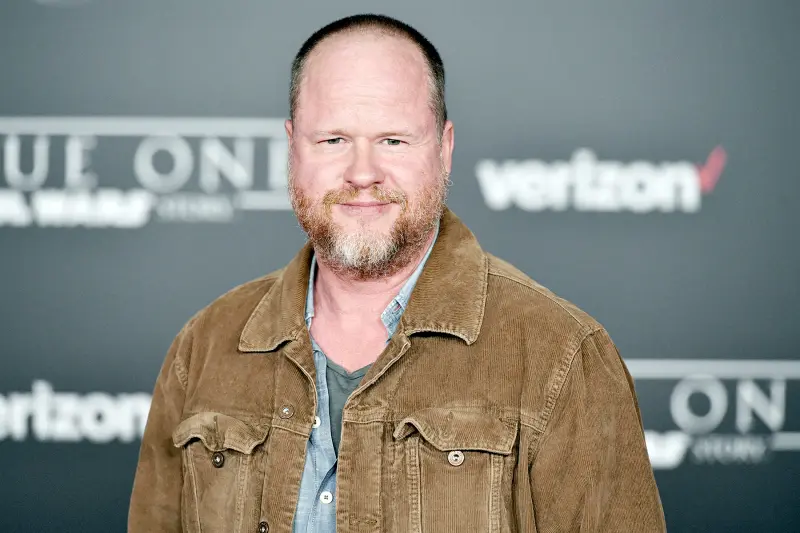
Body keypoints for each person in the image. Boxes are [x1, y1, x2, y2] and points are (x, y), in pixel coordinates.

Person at [128, 13, 666, 533]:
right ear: (292, 147)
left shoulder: (562, 356)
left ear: (444, 149)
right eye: (333, 140)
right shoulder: (204, 346)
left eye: (393, 140)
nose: (363, 173)